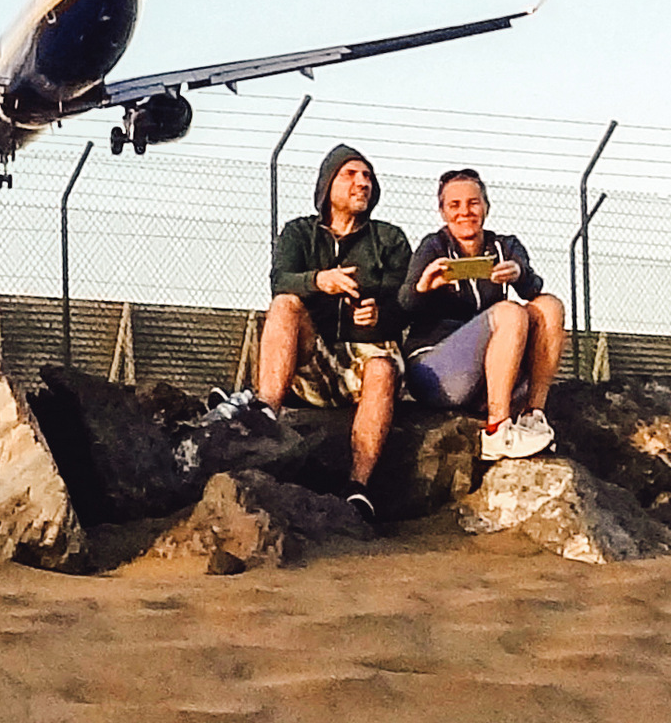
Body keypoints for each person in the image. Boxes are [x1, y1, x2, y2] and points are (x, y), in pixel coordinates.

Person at [230, 144, 411, 519]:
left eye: (367, 176)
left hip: (366, 360)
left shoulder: (389, 239)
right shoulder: (299, 233)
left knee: (381, 367)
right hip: (313, 363)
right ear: (328, 184)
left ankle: (358, 488)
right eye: (351, 174)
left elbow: (408, 303)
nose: (362, 183)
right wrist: (319, 281)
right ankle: (267, 414)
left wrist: (380, 314)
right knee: (285, 303)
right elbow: (280, 280)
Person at [399, 168, 565, 461]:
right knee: (508, 313)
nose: (465, 212)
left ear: (486, 206)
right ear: (442, 212)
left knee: (550, 305)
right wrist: (425, 285)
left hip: (488, 374)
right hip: (436, 369)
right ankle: (497, 430)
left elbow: (533, 289)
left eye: (473, 203)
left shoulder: (505, 246)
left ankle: (532, 415)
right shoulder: (433, 246)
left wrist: (519, 272)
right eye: (455, 205)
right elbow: (404, 306)